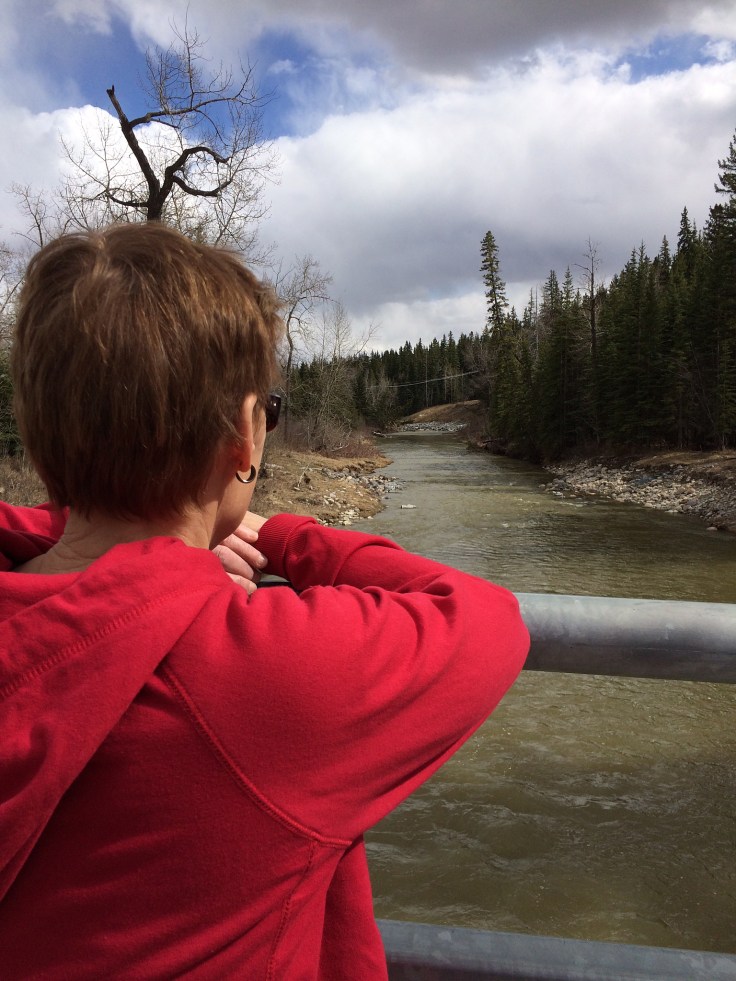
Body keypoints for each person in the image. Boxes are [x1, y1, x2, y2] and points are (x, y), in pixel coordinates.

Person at [0, 222, 529, 980]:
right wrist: (285, 534)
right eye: (269, 411)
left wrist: (144, 559)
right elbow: (484, 619)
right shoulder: (261, 677)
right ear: (243, 440)